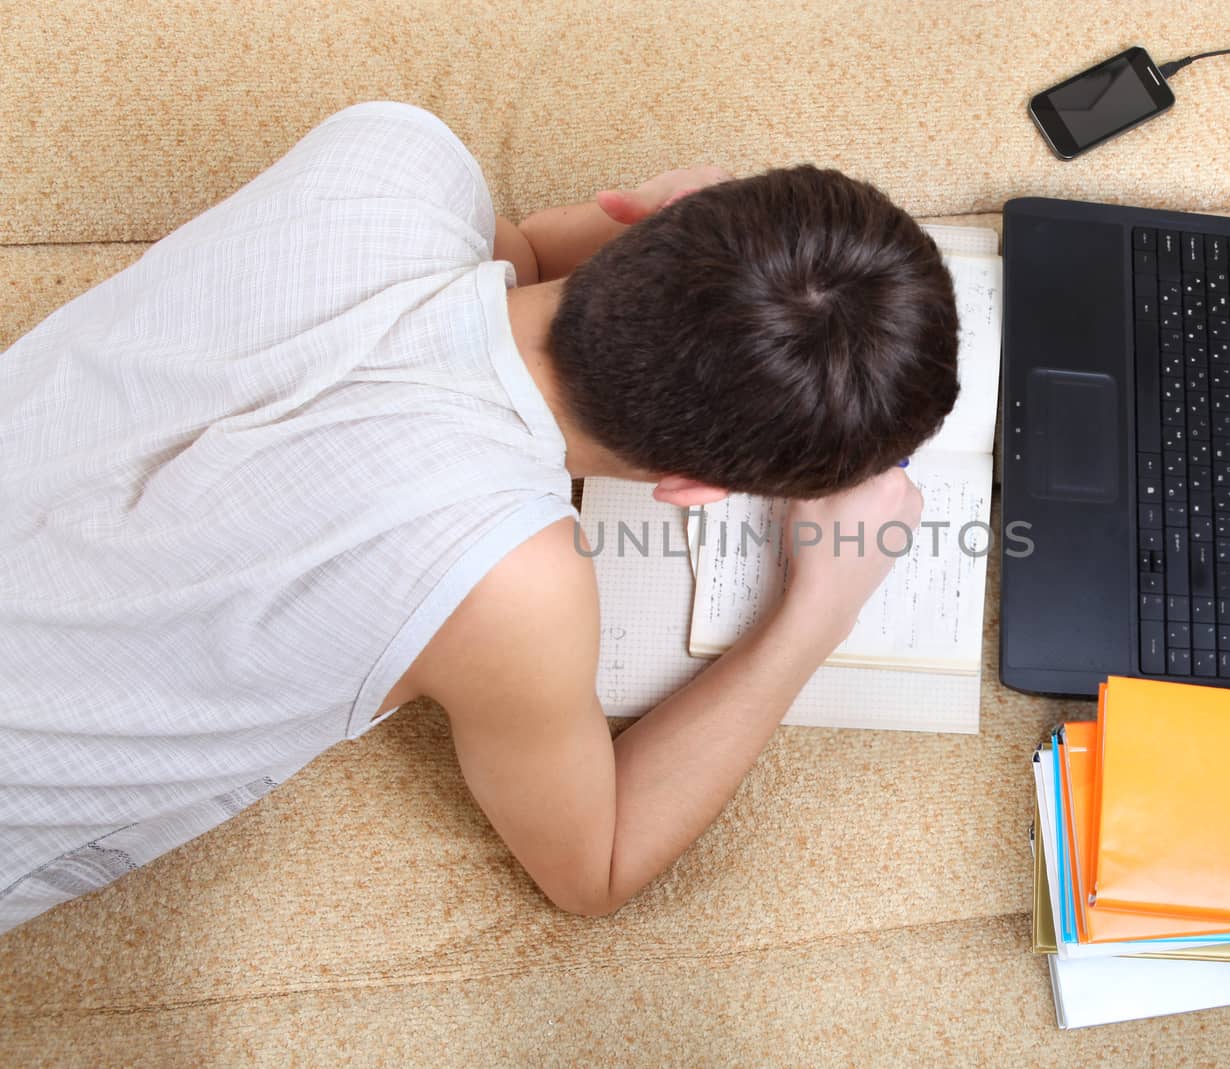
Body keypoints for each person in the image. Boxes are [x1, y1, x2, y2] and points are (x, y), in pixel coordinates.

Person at [0, 101, 960, 932]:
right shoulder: (508, 581)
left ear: (653, 219)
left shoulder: (393, 152)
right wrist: (816, 609)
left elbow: (521, 258)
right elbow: (596, 870)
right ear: (691, 488)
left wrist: (627, 238)